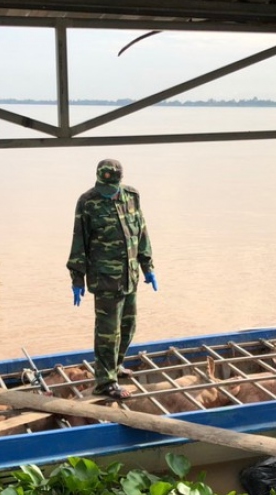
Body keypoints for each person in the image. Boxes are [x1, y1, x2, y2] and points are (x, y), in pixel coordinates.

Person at [67, 158, 157, 400]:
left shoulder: (131, 196)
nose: (109, 194)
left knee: (128, 327)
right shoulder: (88, 201)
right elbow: (79, 240)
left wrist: (148, 265)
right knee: (108, 333)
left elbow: (141, 231)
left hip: (129, 275)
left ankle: (115, 367)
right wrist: (77, 277)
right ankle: (105, 383)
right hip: (105, 279)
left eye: (112, 189)